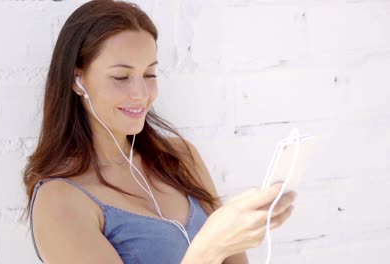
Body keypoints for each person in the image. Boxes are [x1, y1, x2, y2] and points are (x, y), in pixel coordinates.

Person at [21, 0, 296, 263]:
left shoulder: (179, 156)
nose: (141, 94)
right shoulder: (59, 201)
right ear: (77, 80)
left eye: (150, 74)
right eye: (121, 77)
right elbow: (213, 250)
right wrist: (210, 247)